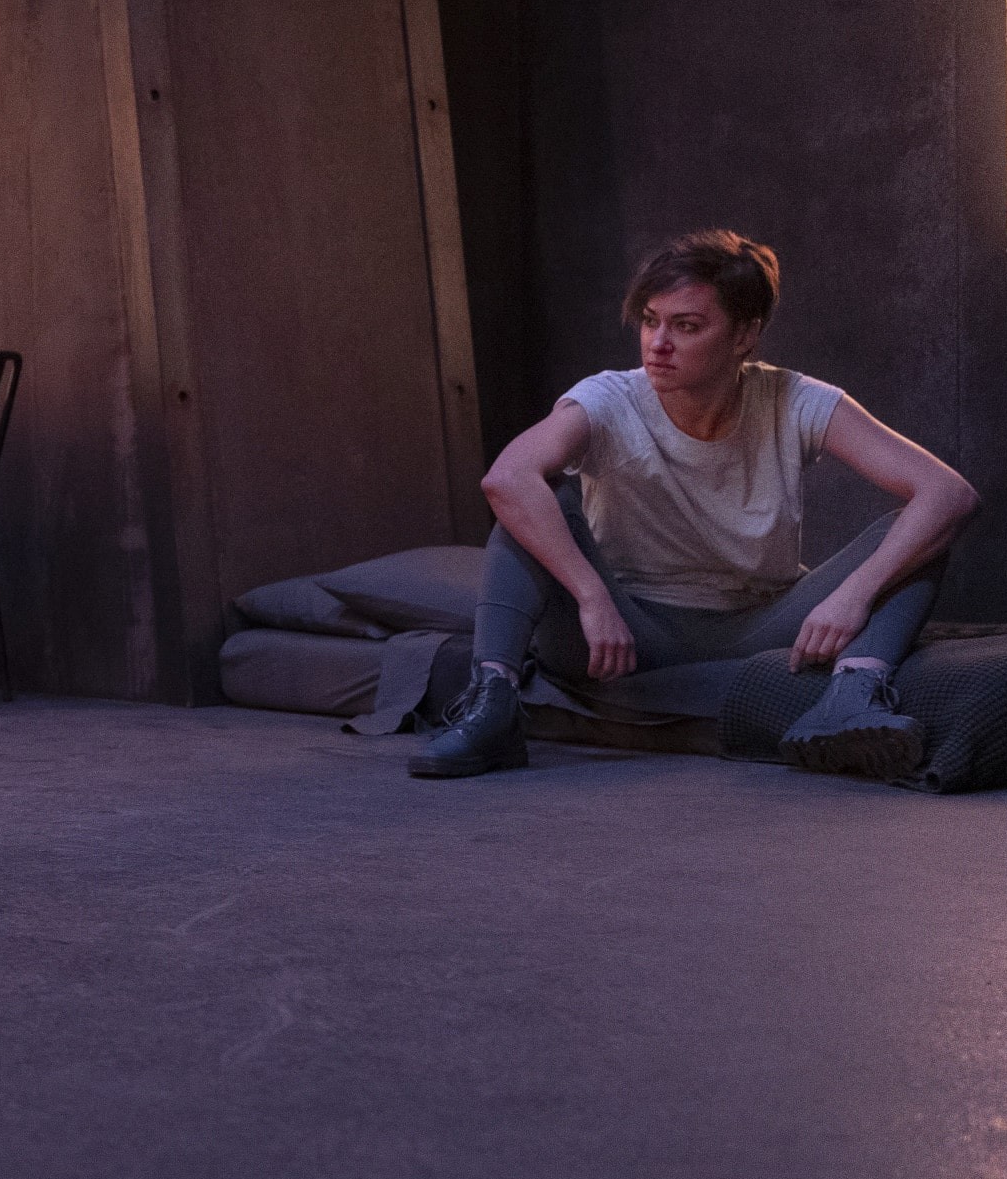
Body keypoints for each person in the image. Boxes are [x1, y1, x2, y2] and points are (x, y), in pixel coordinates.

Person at [411, 229, 978, 781]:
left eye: (686, 326)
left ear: (744, 335)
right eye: (650, 321)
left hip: (757, 627)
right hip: (622, 631)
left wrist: (854, 597)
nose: (658, 344)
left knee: (918, 532)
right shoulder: (608, 398)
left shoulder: (794, 399)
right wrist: (592, 597)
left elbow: (948, 492)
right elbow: (506, 479)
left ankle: (852, 699)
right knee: (537, 499)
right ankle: (491, 701)